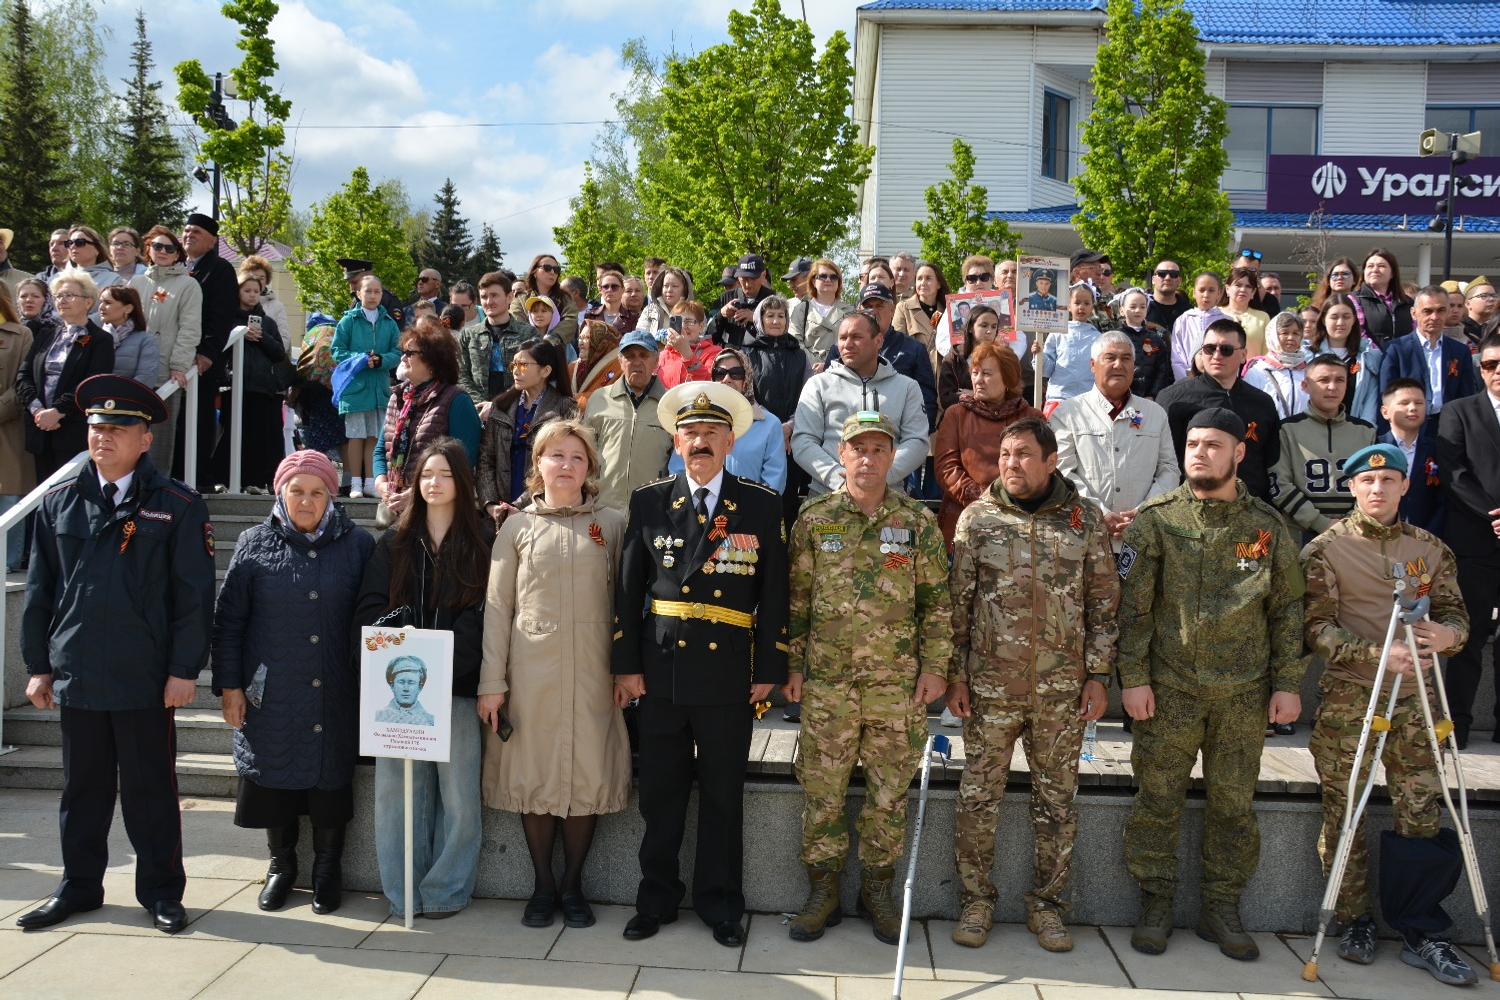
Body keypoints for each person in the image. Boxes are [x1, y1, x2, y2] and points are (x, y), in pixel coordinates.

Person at [16, 374, 215, 934]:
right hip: (78, 670)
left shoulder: (176, 504)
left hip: (143, 675)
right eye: (96, 427)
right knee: (82, 790)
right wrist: (38, 666)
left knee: (151, 791)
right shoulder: (58, 501)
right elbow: (40, 591)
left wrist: (183, 670)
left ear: (145, 439)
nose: (103, 436)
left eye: (119, 428)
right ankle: (78, 886)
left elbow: (194, 597)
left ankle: (161, 892)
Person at [1118, 408, 1305, 961]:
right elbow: (1133, 610)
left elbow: (1287, 611)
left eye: (1214, 445)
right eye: (1193, 444)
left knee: (1233, 806)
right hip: (1169, 690)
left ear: (1239, 453)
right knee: (1157, 799)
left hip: (1243, 694)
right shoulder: (1155, 520)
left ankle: (1221, 906)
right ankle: (1156, 901)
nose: (1200, 453)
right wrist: (1133, 679)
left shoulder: (1266, 527)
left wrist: (1288, 683)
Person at [612, 380, 788, 947]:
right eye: (691, 432)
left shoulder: (760, 504)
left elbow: (775, 594)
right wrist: (626, 665)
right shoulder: (649, 501)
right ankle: (655, 900)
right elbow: (627, 590)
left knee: (722, 795)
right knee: (660, 794)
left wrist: (769, 669)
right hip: (661, 669)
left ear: (731, 442)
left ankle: (721, 905)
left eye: (712, 432)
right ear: (676, 441)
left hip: (728, 673)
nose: (701, 441)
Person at [1302, 443, 1479, 986]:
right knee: (1345, 811)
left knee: (1421, 810)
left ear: (1405, 486)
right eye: (1367, 481)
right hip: (1352, 699)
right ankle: (1353, 918)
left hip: (1418, 702)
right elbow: (1316, 629)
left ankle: (1420, 928)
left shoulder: (1430, 549)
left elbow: (1456, 617)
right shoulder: (1326, 550)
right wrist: (1380, 654)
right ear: (1353, 487)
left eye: (1388, 481)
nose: (1377, 489)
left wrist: (1447, 636)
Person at [945, 416, 1118, 952]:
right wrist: (956, 675)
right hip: (991, 688)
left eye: (1022, 454)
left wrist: (1098, 674)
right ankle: (976, 902)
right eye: (1005, 454)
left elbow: (1103, 602)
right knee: (978, 799)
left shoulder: (1083, 519)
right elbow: (957, 604)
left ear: (1051, 461)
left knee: (1057, 804)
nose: (1010, 464)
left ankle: (1047, 906)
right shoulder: (977, 519)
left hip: (1062, 691)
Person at [782, 411, 949, 946]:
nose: (868, 458)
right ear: (842, 453)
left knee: (888, 797)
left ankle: (877, 892)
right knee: (822, 793)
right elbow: (797, 601)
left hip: (895, 688)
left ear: (892, 456)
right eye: (859, 448)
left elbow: (936, 604)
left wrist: (935, 668)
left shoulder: (916, 522)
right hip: (828, 685)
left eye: (879, 449)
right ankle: (822, 892)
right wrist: (792, 667)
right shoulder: (815, 519)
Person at [479, 419, 631, 930]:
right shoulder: (516, 527)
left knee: (585, 775)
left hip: (594, 674)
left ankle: (573, 886)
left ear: (590, 468)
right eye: (556, 455)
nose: (566, 465)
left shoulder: (612, 524)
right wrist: (492, 683)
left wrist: (626, 672)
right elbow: (498, 607)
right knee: (537, 777)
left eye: (577, 457)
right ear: (538, 464)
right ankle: (543, 884)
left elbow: (626, 604)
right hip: (531, 676)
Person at [212, 449, 374, 914]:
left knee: (330, 778)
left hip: (336, 688)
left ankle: (327, 870)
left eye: (317, 492)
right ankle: (281, 866)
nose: (306, 501)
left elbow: (375, 612)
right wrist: (230, 687)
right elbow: (228, 622)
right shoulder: (254, 542)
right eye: (297, 491)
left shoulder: (358, 545)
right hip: (272, 691)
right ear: (281, 493)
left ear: (332, 496)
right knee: (274, 774)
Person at [355, 437, 492, 918]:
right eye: (427, 475)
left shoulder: (484, 540)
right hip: (399, 692)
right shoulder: (394, 542)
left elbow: (487, 614)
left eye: (446, 475)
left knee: (459, 797)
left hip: (456, 687)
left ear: (463, 482)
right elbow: (370, 610)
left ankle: (446, 891)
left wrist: (447, 662)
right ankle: (403, 891)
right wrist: (400, 639)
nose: (435, 483)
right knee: (398, 795)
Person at [1433, 331, 1500, 749]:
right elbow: (1454, 474)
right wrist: (1494, 516)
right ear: (1481, 369)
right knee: (1468, 635)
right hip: (1474, 541)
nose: (1498, 372)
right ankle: (1456, 721)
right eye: (1490, 364)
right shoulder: (1459, 411)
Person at [1050, 332, 1179, 548]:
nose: (1119, 364)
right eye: (1110, 357)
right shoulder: (1068, 413)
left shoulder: (1154, 413)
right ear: (1093, 365)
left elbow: (1169, 470)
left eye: (1126, 358)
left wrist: (1144, 511)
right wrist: (1098, 512)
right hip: (1083, 538)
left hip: (1142, 539)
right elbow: (1061, 472)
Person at [792, 312, 928, 498]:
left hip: (889, 496)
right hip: (828, 495)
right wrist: (837, 479)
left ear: (878, 341)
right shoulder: (818, 385)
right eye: (842, 338)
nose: (847, 344)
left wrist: (883, 477)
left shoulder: (907, 387)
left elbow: (917, 441)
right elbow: (803, 441)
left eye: (856, 337)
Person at [1156, 319, 1281, 503]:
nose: (1216, 355)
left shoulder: (1262, 403)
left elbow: (1272, 461)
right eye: (1209, 348)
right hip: (1191, 506)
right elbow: (1163, 462)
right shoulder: (1174, 398)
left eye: (1226, 350)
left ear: (1243, 355)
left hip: (1249, 506)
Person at [934, 342, 1043, 543]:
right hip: (964, 518)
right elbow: (946, 468)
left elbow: (1042, 467)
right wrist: (985, 499)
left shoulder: (1032, 418)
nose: (978, 380)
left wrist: (1012, 500)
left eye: (986, 374)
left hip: (1021, 519)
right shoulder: (956, 414)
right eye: (975, 373)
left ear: (1008, 378)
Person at [373, 317, 481, 516]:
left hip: (438, 509)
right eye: (403, 352)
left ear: (432, 359)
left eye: (410, 353)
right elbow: (381, 450)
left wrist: (415, 493)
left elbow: (463, 461)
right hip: (397, 508)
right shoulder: (398, 397)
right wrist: (382, 485)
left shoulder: (456, 400)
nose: (403, 358)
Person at [17, 270, 116, 481]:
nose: (62, 300)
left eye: (69, 295)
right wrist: (38, 411)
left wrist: (58, 411)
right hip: (39, 429)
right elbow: (23, 376)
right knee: (43, 493)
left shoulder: (100, 339)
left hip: (72, 430)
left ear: (88, 301)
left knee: (70, 491)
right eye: (58, 296)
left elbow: (93, 383)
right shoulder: (45, 335)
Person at [1269, 354, 1376, 543]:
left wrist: (1349, 523)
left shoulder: (1366, 432)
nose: (1332, 387)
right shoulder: (1286, 429)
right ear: (1305, 386)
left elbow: (1373, 484)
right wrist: (1322, 523)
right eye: (1323, 380)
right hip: (1300, 534)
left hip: (1355, 533)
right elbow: (1279, 485)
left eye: (1339, 380)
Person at [477, 337, 578, 518]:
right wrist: (491, 505)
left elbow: (561, 464)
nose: (516, 371)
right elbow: (486, 460)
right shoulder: (500, 407)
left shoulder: (564, 409)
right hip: (499, 510)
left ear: (545, 371)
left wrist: (519, 506)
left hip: (544, 509)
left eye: (523, 365)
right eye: (513, 365)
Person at [128, 227, 202, 474]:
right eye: (157, 246)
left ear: (177, 254)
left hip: (165, 375)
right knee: (129, 438)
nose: (162, 251)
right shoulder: (136, 282)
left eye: (169, 248)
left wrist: (178, 365)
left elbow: (190, 328)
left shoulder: (188, 285)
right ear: (148, 249)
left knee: (158, 443)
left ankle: (156, 492)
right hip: (133, 372)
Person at [668, 347, 786, 491]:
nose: (726, 379)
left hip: (750, 504)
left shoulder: (770, 425)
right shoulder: (693, 420)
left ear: (747, 378)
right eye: (720, 373)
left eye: (736, 373)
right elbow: (677, 470)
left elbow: (773, 484)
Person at [585, 329, 672, 511]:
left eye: (644, 355)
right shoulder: (599, 399)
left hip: (653, 509)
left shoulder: (670, 404)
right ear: (620, 361)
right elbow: (585, 453)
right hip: (603, 508)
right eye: (629, 356)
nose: (637, 362)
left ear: (656, 360)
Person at [216, 273, 288, 493]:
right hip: (233, 385)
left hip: (261, 387)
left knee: (258, 437)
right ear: (237, 292)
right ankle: (224, 478)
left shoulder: (268, 322)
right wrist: (238, 335)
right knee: (230, 433)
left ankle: (254, 481)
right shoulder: (227, 319)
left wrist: (262, 337)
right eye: (247, 290)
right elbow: (218, 347)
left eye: (256, 291)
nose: (252, 295)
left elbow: (279, 353)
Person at [331, 274, 401, 499]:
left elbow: (398, 352)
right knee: (355, 436)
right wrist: (360, 358)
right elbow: (337, 351)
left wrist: (381, 360)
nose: (372, 296)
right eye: (368, 291)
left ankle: (371, 482)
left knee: (373, 436)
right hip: (355, 389)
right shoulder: (348, 321)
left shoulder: (389, 322)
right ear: (358, 293)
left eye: (377, 291)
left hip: (379, 389)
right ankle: (355, 483)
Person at [182, 214, 238, 491]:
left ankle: (199, 479)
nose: (189, 235)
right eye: (186, 230)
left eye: (197, 231)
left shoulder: (220, 269)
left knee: (199, 419)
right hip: (176, 358)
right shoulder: (178, 267)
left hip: (201, 361)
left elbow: (222, 315)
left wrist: (207, 351)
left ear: (212, 240)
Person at [1379, 286, 1477, 435]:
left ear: (1447, 312)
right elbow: (1387, 394)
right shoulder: (1396, 349)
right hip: (1408, 428)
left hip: (1449, 429)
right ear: (1414, 313)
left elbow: (1466, 396)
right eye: (1427, 311)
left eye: (1441, 310)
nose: (1434, 317)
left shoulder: (1460, 351)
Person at [459, 270, 537, 415]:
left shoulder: (529, 334)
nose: (489, 302)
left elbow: (534, 374)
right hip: (477, 411)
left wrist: (498, 405)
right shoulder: (468, 335)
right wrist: (481, 404)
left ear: (509, 297)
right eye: (484, 297)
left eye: (494, 295)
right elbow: (461, 375)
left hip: (518, 411)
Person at [1377, 378, 1443, 533]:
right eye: (1404, 403)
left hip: (1427, 535)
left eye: (1419, 403)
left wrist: (1429, 535)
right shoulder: (1374, 447)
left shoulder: (1437, 449)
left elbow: (1443, 499)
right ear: (1385, 412)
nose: (1413, 408)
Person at [0, 285, 35, 571]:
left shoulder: (21, 334)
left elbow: (23, 382)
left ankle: (7, 560)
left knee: (9, 492)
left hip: (8, 425)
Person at [1309, 293, 1383, 426]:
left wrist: (1364, 430)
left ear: (1354, 319)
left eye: (1346, 317)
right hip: (1314, 429)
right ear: (1324, 319)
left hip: (1355, 431)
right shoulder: (1307, 356)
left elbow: (1370, 403)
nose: (1340, 323)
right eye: (1334, 317)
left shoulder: (1368, 357)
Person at [1039, 284, 1104, 403]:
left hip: (1088, 399)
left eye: (1086, 303)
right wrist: (1039, 355)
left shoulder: (1098, 338)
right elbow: (1046, 370)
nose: (1081, 307)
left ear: (1092, 307)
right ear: (1069, 306)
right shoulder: (1057, 333)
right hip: (1059, 396)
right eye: (1077, 303)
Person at [1243, 312, 1310, 419]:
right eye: (1284, 332)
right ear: (1273, 335)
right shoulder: (1258, 371)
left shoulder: (1308, 371)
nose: (1290, 337)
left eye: (1296, 333)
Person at [1109, 287, 1172, 399]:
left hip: (1149, 398)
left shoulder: (1156, 339)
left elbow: (1162, 370)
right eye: (1133, 307)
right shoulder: (1115, 338)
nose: (1138, 310)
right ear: (1121, 310)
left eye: (1142, 306)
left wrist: (1152, 394)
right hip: (1120, 396)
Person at [788, 257, 852, 362]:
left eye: (834, 277)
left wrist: (828, 364)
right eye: (823, 276)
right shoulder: (801, 310)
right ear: (813, 281)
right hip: (808, 368)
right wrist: (815, 364)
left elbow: (853, 344)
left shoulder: (849, 311)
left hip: (838, 368)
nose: (828, 280)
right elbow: (795, 342)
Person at [1169, 272, 1229, 381]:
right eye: (1201, 290)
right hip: (1189, 381)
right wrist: (1186, 381)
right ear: (1194, 292)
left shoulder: (1227, 322)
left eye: (1211, 290)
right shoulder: (1183, 320)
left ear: (1219, 293)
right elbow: (1177, 356)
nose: (1206, 295)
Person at [98, 284, 159, 386]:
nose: (101, 307)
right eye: (100, 302)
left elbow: (146, 378)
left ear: (128, 308)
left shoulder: (146, 341)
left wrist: (114, 393)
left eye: (107, 302)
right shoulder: (94, 337)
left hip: (126, 395)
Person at [510, 255, 577, 345]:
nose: (552, 272)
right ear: (534, 272)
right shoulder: (520, 298)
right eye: (547, 268)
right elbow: (516, 323)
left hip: (559, 348)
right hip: (527, 347)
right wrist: (537, 341)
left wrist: (552, 338)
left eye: (556, 270)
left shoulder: (565, 297)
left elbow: (570, 320)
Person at [891, 259, 950, 361]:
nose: (923, 283)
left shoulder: (948, 310)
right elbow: (897, 344)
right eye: (919, 279)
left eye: (928, 278)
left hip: (943, 368)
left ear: (939, 284)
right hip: (915, 368)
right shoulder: (904, 308)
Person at [1353, 248, 1413, 348]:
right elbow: (1357, 334)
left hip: (1403, 356)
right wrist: (1377, 354)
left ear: (1392, 273)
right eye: (1370, 266)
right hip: (1369, 356)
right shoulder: (1353, 301)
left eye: (1381, 266)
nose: (1374, 270)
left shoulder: (1408, 303)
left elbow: (1415, 333)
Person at [656, 301, 719, 387]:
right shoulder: (663, 354)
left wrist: (686, 353)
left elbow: (709, 385)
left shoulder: (713, 353)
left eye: (688, 321)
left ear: (701, 326)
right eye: (678, 322)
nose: (683, 326)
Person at [238, 254, 293, 352]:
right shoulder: (232, 307)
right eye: (254, 276)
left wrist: (262, 338)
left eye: (262, 278)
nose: (257, 281)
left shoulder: (276, 306)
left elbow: (284, 341)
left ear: (267, 280)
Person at [62, 225, 126, 306]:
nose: (72, 246)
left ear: (97, 249)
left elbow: (115, 310)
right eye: (69, 243)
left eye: (80, 242)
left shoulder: (114, 281)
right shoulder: (59, 279)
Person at [1219, 267, 1270, 361]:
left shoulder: (1263, 317)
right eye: (1238, 285)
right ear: (1227, 289)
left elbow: (1267, 353)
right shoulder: (1216, 314)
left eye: (1248, 286)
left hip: (1255, 369)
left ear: (1253, 292)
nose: (1243, 289)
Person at [375, 657, 436, 725]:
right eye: (401, 682)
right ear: (392, 685)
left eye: (411, 683)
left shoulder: (430, 721)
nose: (406, 688)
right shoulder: (378, 717)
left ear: (420, 687)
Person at [636, 265, 693, 335]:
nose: (669, 290)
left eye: (674, 286)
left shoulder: (694, 311)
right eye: (666, 286)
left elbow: (700, 338)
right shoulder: (649, 310)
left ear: (684, 290)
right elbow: (640, 336)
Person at [1146, 260, 1190, 331]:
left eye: (1173, 274)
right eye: (1162, 274)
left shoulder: (1189, 312)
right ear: (1153, 280)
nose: (1167, 278)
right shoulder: (1141, 307)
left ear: (1180, 281)